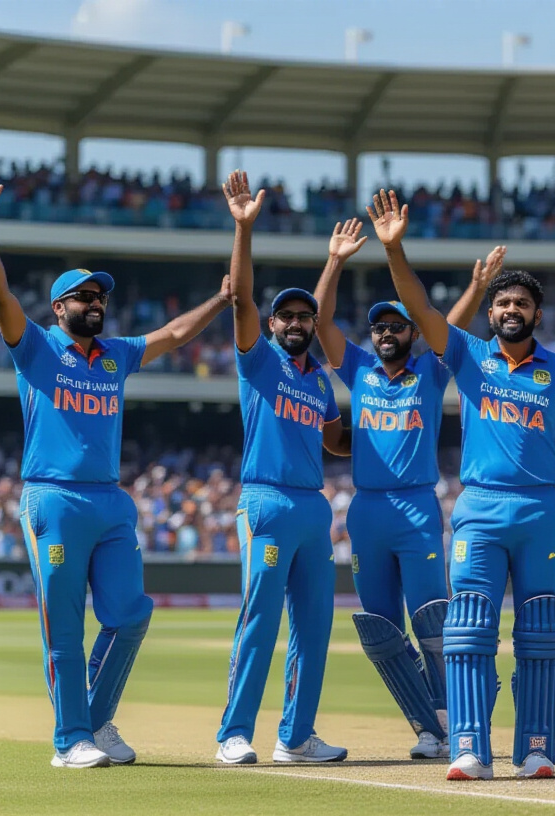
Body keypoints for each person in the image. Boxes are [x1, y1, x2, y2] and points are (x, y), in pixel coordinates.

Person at [0, 163, 232, 769]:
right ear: (59, 308)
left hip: (110, 502)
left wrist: (221, 299)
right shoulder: (33, 346)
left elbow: (173, 334)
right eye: (85, 296)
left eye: (101, 296)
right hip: (52, 498)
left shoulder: (116, 356)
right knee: (64, 628)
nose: (97, 303)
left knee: (132, 613)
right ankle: (69, 741)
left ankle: (95, 721)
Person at [367, 189, 555, 781]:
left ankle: (536, 747)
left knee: (540, 629)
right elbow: (419, 307)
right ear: (491, 312)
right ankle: (469, 747)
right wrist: (394, 249)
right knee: (468, 625)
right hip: (479, 509)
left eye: (522, 303)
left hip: (539, 511)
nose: (511, 309)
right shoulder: (467, 355)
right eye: (503, 301)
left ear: (536, 313)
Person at [313, 223, 504, 759]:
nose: (387, 333)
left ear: (411, 335)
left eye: (397, 326)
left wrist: (477, 287)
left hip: (417, 507)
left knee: (434, 625)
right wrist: (334, 260)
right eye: (380, 328)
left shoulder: (428, 371)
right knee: (381, 634)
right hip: (366, 511)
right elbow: (323, 321)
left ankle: (457, 715)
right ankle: (426, 726)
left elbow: (443, 322)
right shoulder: (358, 369)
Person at [214, 170, 352, 766]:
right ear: (272, 326)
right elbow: (241, 298)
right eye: (287, 317)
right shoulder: (259, 363)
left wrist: (334, 262)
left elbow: (338, 444)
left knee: (315, 628)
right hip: (266, 502)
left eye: (303, 318)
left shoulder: (320, 380)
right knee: (259, 622)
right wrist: (243, 229)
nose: (297, 323)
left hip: (312, 507)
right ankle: (233, 733)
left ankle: (296, 736)